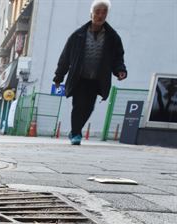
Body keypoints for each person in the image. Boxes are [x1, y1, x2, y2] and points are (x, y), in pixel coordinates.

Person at [53, 0, 127, 145]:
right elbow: (65, 57)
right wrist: (59, 76)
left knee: (89, 107)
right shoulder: (78, 35)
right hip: (79, 78)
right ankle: (76, 134)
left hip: (97, 79)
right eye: (97, 12)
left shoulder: (113, 37)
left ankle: (76, 130)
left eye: (104, 12)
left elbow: (118, 57)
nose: (100, 15)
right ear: (91, 14)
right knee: (78, 105)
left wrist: (120, 71)